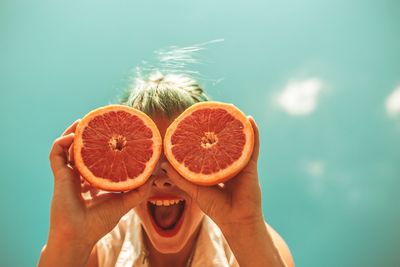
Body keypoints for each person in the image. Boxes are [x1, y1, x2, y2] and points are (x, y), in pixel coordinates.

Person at [38, 71, 295, 267]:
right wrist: (70, 239)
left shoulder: (252, 244)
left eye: (179, 157)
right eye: (145, 159)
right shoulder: (98, 250)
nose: (162, 178)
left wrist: (245, 226)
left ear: (212, 168)